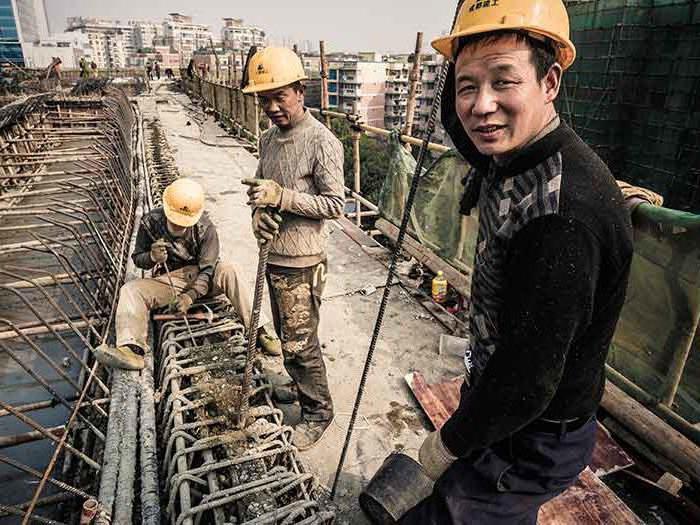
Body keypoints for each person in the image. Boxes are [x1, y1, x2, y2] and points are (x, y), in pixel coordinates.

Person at [398, 1, 634, 523]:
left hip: (533, 430)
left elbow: (527, 379)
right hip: (504, 401)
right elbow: (460, 121)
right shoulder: (512, 151)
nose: (481, 106)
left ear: (549, 82)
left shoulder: (562, 214)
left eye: (504, 81)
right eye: (467, 85)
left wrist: (450, 442)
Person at [241, 47, 345, 450]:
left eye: (279, 97)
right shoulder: (268, 140)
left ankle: (319, 411)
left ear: (301, 91)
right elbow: (258, 188)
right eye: (264, 99)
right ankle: (301, 389)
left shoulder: (323, 142)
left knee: (302, 342)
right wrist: (257, 214)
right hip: (275, 255)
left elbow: (335, 205)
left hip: (304, 260)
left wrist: (282, 198)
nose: (271, 107)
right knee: (286, 336)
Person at [95, 178, 281, 370]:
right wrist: (151, 256)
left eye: (184, 224)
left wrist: (189, 297)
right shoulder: (150, 222)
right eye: (175, 222)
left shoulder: (205, 228)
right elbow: (137, 258)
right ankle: (131, 349)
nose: (179, 228)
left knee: (231, 269)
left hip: (203, 277)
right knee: (130, 290)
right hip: (171, 279)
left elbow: (208, 270)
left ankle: (259, 328)